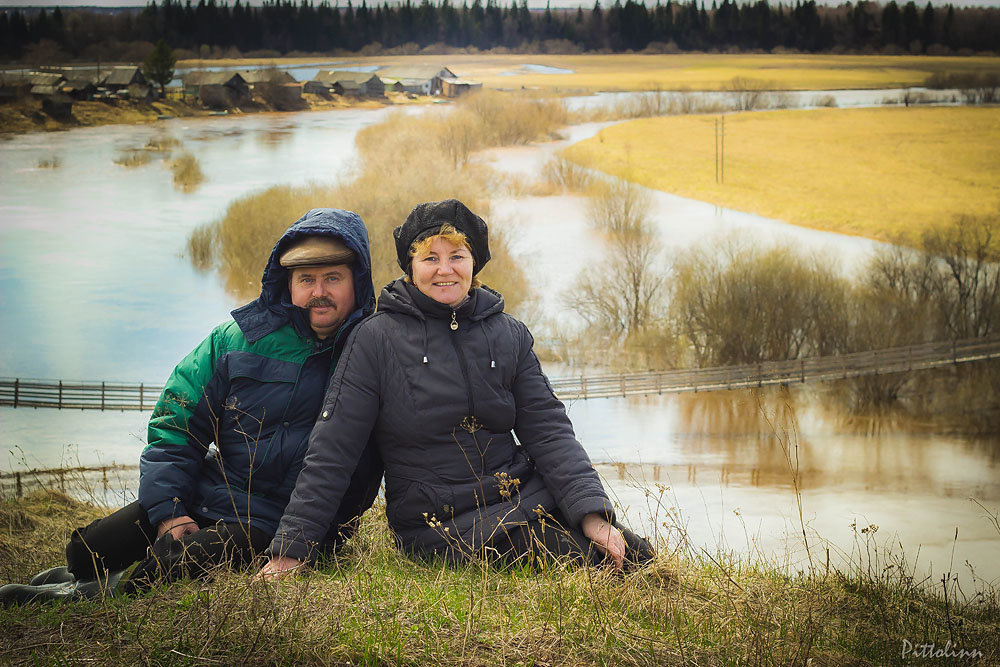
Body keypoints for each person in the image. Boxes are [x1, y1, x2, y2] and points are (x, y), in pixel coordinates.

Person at [1, 208, 383, 604]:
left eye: (333, 278)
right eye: (307, 279)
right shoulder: (235, 340)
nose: (319, 291)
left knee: (171, 570)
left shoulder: (372, 353)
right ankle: (76, 576)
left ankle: (81, 596)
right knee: (86, 551)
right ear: (287, 283)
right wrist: (170, 510)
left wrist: (312, 540)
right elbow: (175, 425)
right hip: (211, 491)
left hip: (277, 522)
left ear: (356, 281)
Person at [260, 199, 652, 577]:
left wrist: (592, 514)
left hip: (520, 495)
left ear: (474, 263)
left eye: (456, 256)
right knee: (591, 563)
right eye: (430, 258)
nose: (444, 270)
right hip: (441, 523)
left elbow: (549, 430)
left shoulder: (508, 333)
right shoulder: (375, 340)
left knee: (638, 556)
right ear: (410, 267)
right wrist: (291, 550)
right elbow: (334, 447)